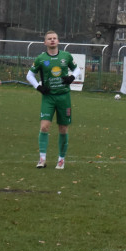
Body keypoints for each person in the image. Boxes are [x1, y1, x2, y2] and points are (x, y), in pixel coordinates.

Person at [26, 30, 82, 170]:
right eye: (49, 38)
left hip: (64, 97)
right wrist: (38, 87)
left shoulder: (66, 56)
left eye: (54, 38)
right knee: (44, 126)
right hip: (48, 98)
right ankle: (42, 159)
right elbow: (29, 75)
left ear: (58, 41)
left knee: (63, 128)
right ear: (45, 42)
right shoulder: (40, 59)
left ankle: (61, 159)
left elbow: (77, 70)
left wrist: (72, 77)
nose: (52, 40)